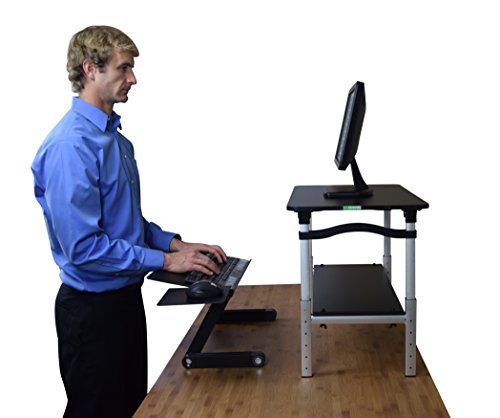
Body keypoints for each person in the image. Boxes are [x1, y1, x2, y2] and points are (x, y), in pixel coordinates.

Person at [31, 25, 227, 418]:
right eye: (123, 68)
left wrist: (176, 245)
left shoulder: (117, 141)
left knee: (133, 409)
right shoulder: (71, 147)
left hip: (123, 304)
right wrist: (166, 262)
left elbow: (125, 223)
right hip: (92, 313)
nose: (133, 79)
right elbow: (85, 248)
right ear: (91, 69)